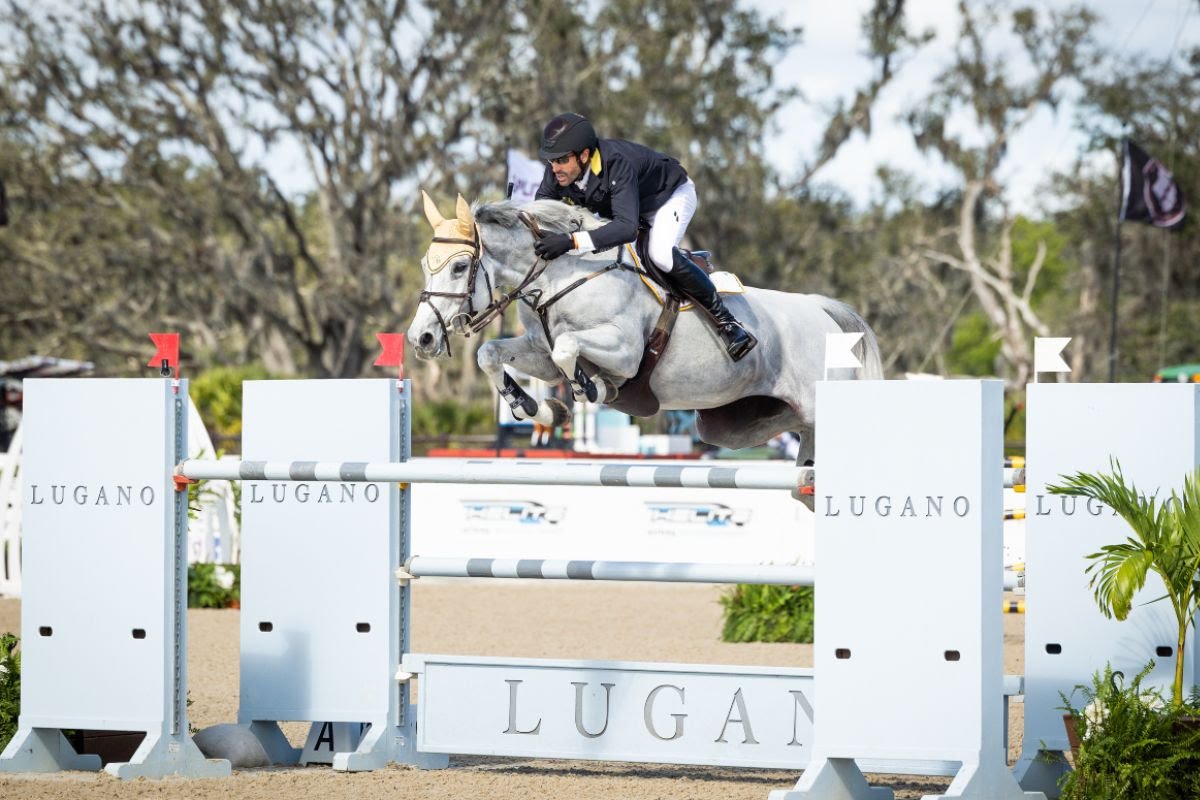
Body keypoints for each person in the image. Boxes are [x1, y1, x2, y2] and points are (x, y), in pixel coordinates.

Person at [532, 113, 756, 362]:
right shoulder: (557, 172)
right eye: (551, 161)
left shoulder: (616, 163)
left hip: (669, 198)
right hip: (633, 210)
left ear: (584, 155)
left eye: (561, 160)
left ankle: (727, 323)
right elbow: (540, 211)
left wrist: (570, 241)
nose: (554, 168)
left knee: (659, 255)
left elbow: (626, 228)